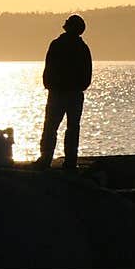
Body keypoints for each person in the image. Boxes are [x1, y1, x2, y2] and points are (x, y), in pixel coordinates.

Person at [34, 14, 92, 170]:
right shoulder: (82, 48)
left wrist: (51, 85)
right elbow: (87, 74)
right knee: (72, 128)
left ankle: (46, 158)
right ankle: (70, 161)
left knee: (51, 127)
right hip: (73, 94)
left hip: (58, 93)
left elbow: (49, 68)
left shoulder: (57, 45)